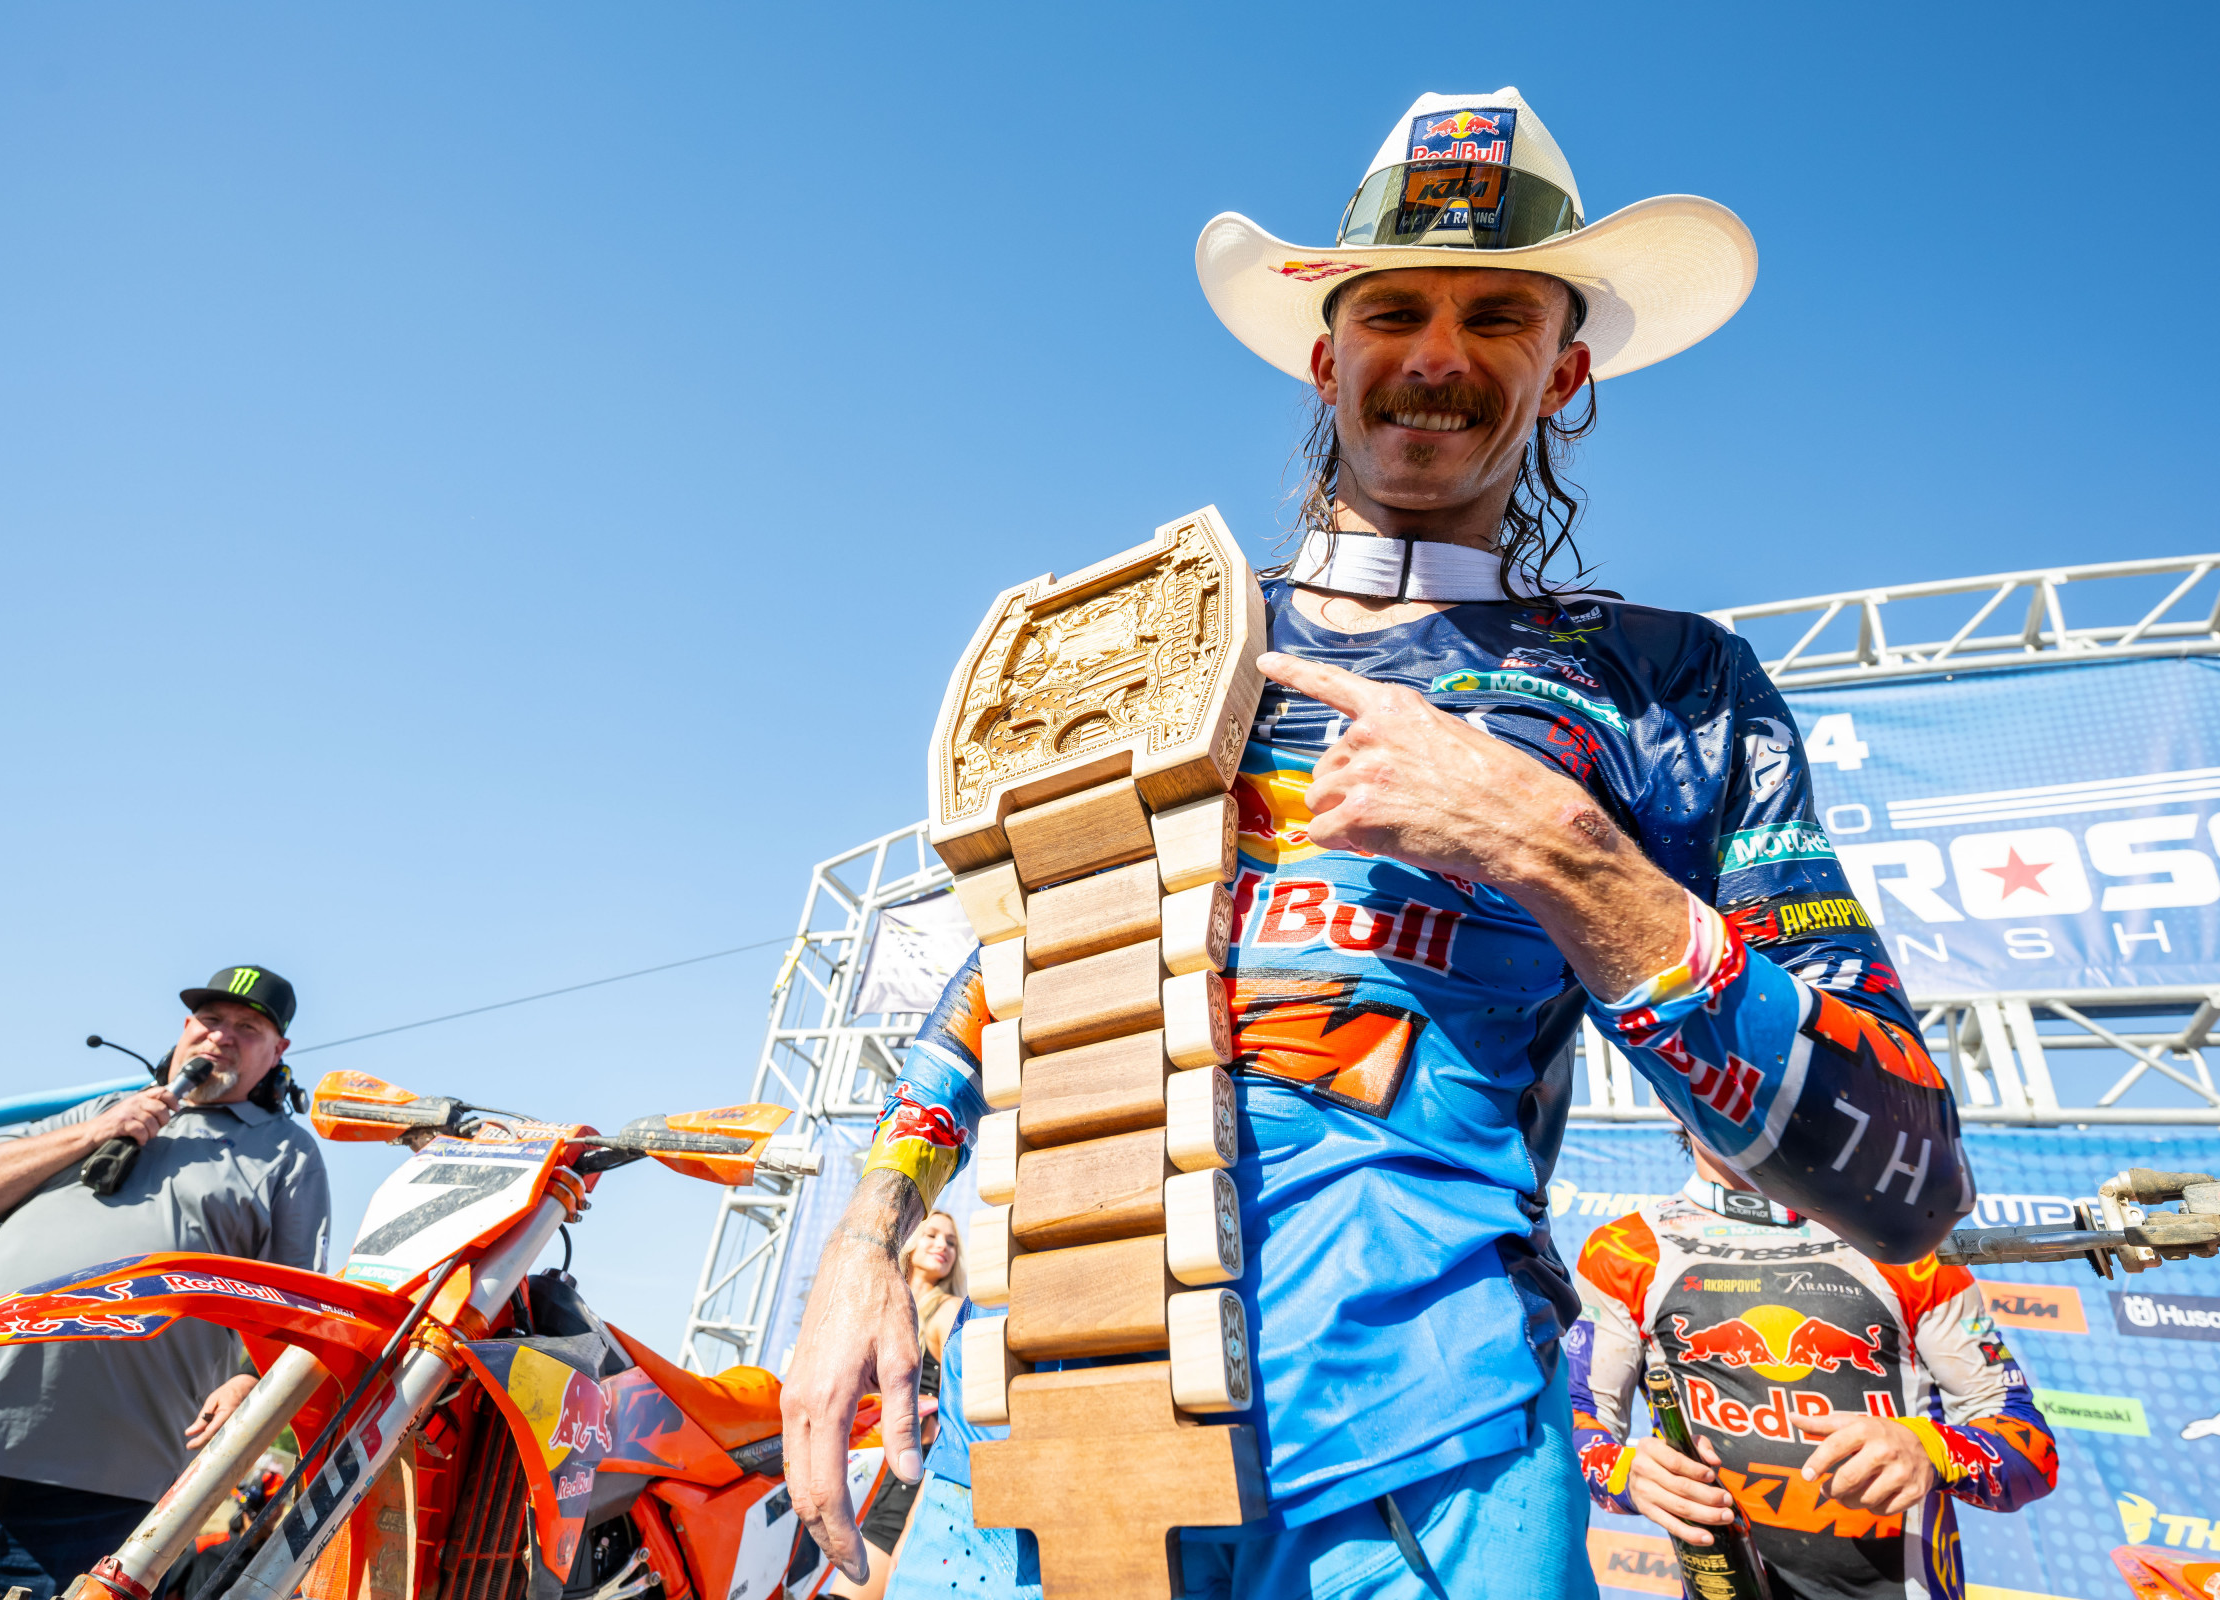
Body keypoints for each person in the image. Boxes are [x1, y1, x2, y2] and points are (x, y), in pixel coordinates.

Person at [782, 85, 1972, 1600]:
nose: (1436, 355)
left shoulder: (1673, 687)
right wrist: (867, 1240)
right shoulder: (1150, 633)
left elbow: (1911, 1174)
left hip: (1436, 1462)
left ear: (1566, 375)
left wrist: (1556, 847)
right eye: (1394, 309)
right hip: (1038, 1435)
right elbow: (1010, 980)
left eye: (1497, 317)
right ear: (1326, 355)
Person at [0, 966, 330, 1600]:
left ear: (277, 1052)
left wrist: (251, 1380)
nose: (221, 1038)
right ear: (184, 1030)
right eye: (209, 1020)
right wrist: (99, 1130)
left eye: (248, 1027)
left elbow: (300, 1306)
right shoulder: (101, 1112)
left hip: (102, 1495)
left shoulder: (287, 1154)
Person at [1571, 1127, 2057, 1597]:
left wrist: (1930, 1450)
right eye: (1710, 1065)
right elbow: (1574, 1425)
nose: (1737, 1095)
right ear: (1667, 1092)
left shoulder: (1906, 1243)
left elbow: (2031, 1452)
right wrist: (1626, 1474)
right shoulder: (1623, 1251)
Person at [832, 1212, 967, 1600]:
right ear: (909, 1240)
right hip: (861, 1476)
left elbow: (957, 1418)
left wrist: (918, 1514)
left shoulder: (949, 1312)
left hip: (905, 1479)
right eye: (932, 1235)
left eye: (951, 1242)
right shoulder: (877, 1310)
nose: (942, 1245)